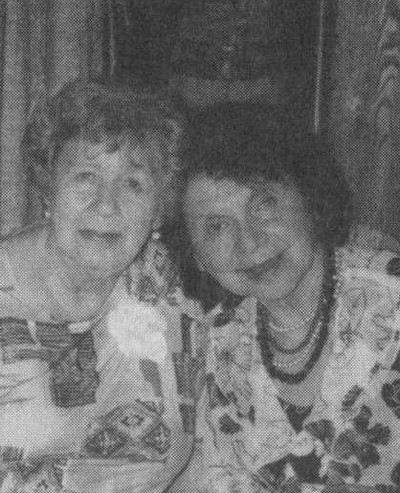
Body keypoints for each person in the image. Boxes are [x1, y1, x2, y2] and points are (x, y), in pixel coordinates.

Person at [169, 110, 400, 493]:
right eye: (216, 226)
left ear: (309, 198)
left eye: (263, 204)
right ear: (198, 258)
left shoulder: (393, 302)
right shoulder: (219, 349)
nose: (248, 241)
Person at [0, 80, 203, 493]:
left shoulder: (177, 292)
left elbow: (200, 456)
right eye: (86, 176)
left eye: (133, 183)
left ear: (159, 209)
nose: (106, 204)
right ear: (48, 188)